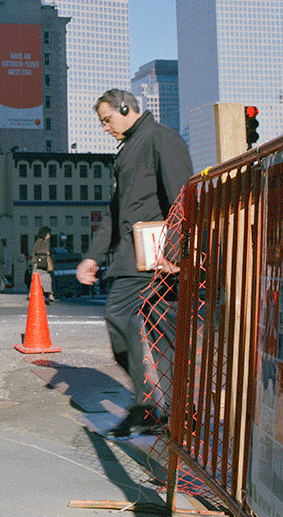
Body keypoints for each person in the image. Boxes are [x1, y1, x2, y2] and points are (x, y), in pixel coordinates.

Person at [78, 88, 192, 439]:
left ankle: (153, 409)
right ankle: (169, 415)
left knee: (122, 316)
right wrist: (93, 256)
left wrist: (175, 252)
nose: (105, 128)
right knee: (161, 335)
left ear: (125, 108)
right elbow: (115, 213)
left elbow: (182, 196)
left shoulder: (162, 140)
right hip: (137, 259)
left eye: (107, 120)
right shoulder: (129, 148)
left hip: (157, 261)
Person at [32, 226, 56, 304]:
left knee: (40, 280)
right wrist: (46, 252)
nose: (49, 236)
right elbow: (37, 250)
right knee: (44, 279)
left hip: (41, 264)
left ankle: (48, 294)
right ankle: (49, 295)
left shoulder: (43, 241)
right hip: (40, 264)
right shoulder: (40, 241)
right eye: (48, 234)